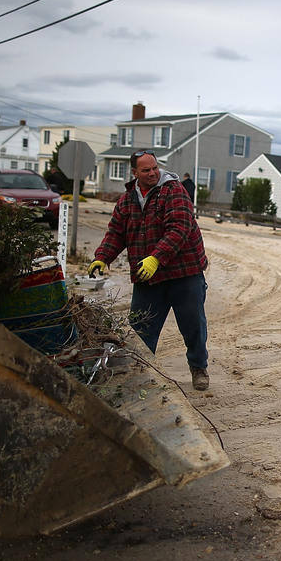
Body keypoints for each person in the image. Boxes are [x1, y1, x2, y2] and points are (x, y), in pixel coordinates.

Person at [88, 150, 210, 391]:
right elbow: (116, 233)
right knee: (140, 329)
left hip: (184, 272)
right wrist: (102, 257)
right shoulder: (126, 200)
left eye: (154, 167)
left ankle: (198, 368)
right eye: (146, 170)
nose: (153, 173)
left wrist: (156, 257)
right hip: (148, 276)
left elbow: (179, 228)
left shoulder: (174, 190)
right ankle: (137, 374)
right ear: (135, 173)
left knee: (193, 325)